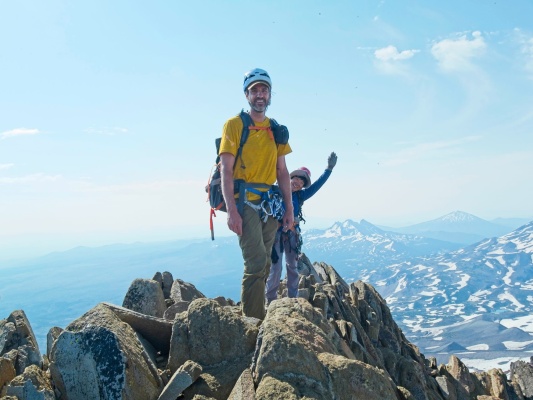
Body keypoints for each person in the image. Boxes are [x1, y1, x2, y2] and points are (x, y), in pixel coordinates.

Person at [218, 68, 294, 320]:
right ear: (246, 95)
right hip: (244, 203)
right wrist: (231, 211)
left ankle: (254, 314)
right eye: (255, 91)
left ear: (270, 94)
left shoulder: (277, 130)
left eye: (264, 90)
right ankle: (252, 324)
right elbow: (226, 171)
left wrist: (289, 210)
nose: (260, 95)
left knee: (264, 264)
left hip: (270, 206)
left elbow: (282, 171)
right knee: (255, 262)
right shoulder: (234, 125)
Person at [265, 152, 338, 304]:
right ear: (290, 178)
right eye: (296, 178)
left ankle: (293, 298)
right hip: (275, 235)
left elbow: (318, 185)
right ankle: (270, 300)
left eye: (302, 181)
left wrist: (328, 169)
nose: (298, 182)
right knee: (276, 268)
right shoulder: (275, 190)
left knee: (292, 267)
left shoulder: (301, 196)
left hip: (292, 235)